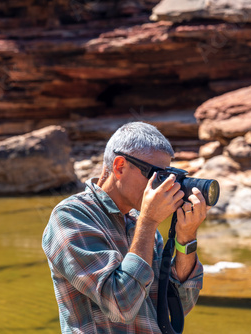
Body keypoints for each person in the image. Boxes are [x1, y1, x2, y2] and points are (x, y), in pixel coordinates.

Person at [42, 121, 208, 333]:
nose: (160, 185)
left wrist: (186, 239)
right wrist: (148, 222)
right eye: (155, 175)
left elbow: (177, 308)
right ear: (119, 166)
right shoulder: (71, 216)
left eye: (166, 175)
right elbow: (121, 307)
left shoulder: (141, 224)